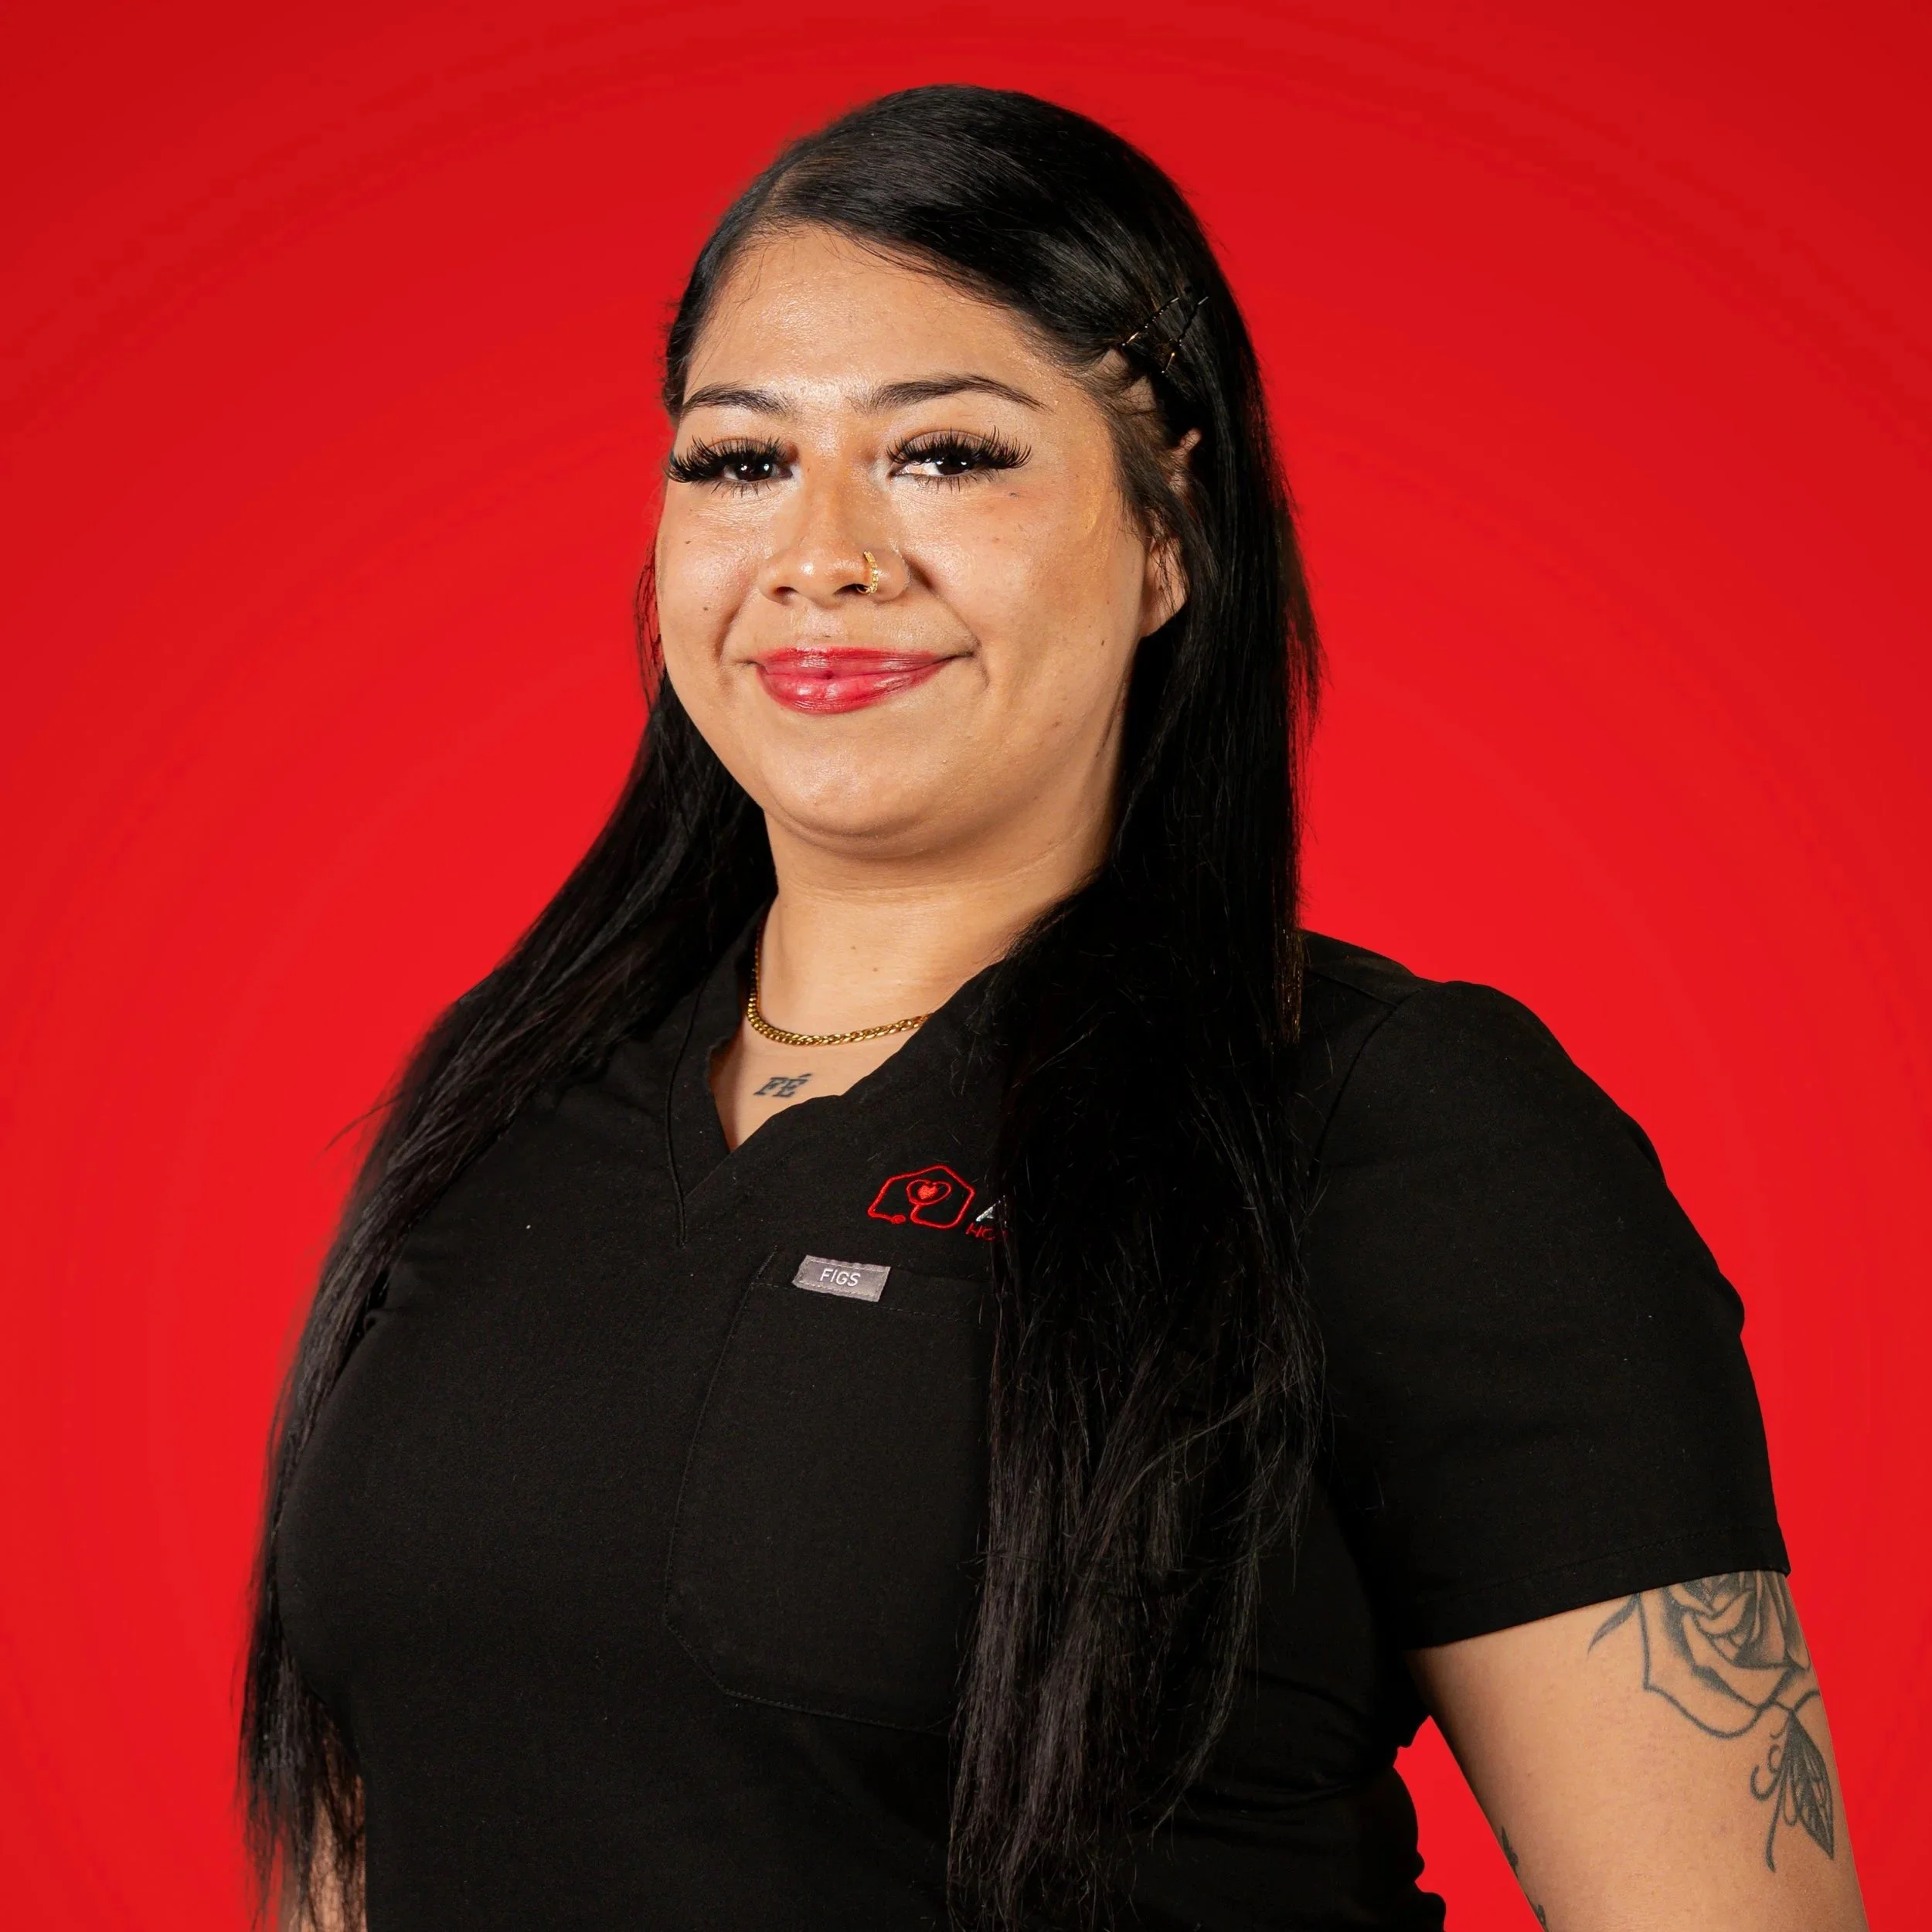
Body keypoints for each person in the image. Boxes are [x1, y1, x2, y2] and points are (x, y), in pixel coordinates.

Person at [244, 85, 1869, 1932]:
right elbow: (375, 1826)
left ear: (1170, 534)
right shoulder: (506, 1105)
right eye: (737, 459)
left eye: (945, 453)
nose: (824, 553)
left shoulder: (1390, 1129)